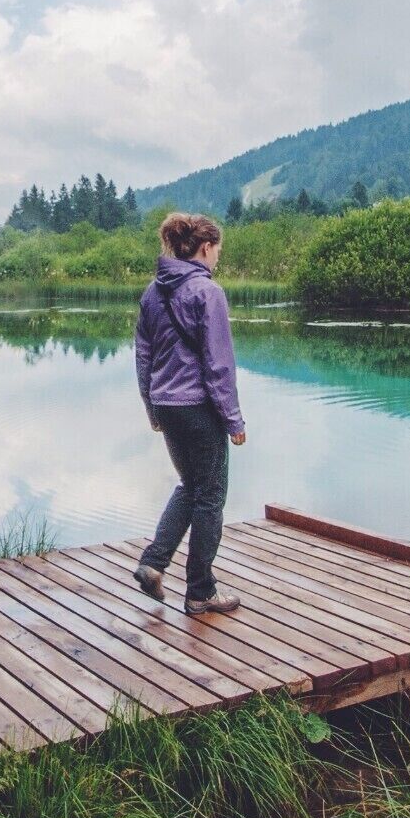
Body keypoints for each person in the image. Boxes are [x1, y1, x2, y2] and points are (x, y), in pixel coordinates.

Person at [132, 211, 247, 615]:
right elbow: (219, 364)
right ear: (205, 247)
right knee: (211, 495)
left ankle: (152, 563)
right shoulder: (206, 292)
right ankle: (201, 591)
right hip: (198, 407)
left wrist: (152, 407)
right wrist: (233, 419)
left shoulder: (152, 292)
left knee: (190, 486)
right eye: (217, 251)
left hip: (167, 403)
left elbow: (143, 357)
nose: (218, 259)